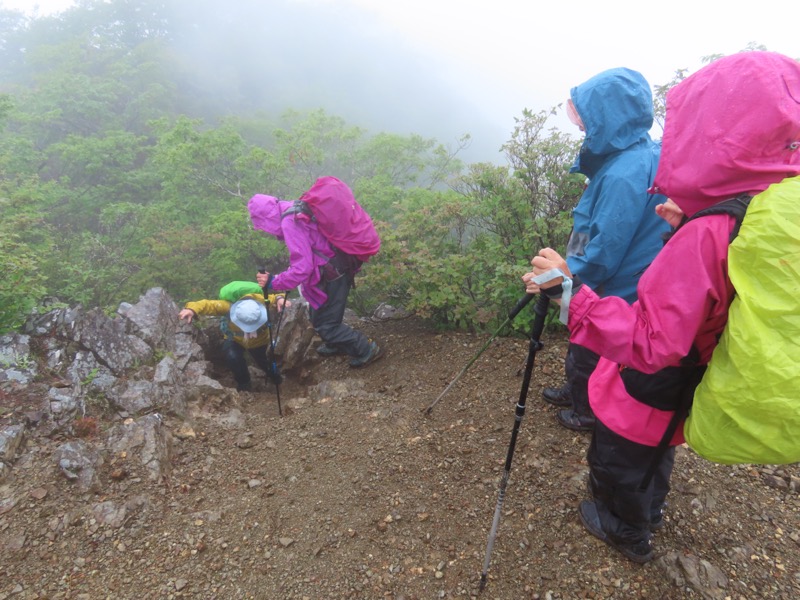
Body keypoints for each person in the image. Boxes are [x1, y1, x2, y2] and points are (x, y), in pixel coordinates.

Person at [523, 51, 800, 563]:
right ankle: (647, 510)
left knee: (619, 458)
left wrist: (567, 292)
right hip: (689, 373)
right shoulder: (760, 206)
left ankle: (626, 529)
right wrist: (690, 223)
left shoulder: (705, 230)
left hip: (651, 377)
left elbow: (652, 341)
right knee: (654, 452)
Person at [542, 67, 671, 432]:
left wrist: (568, 280)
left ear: (610, 118)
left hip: (609, 285)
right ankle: (578, 392)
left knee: (588, 348)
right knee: (592, 348)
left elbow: (604, 248)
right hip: (634, 280)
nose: (582, 127)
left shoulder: (621, 174)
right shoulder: (647, 153)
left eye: (587, 118)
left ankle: (585, 411)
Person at [248, 193, 383, 368]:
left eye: (262, 225)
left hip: (334, 274)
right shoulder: (294, 208)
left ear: (265, 218)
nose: (265, 230)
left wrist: (274, 282)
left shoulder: (290, 222)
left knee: (327, 325)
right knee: (316, 313)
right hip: (335, 266)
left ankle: (366, 349)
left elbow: (302, 268)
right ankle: (335, 343)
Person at [179, 284, 287, 392]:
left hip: (259, 341)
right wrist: (192, 309)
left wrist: (280, 299)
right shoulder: (228, 306)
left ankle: (277, 379)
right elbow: (207, 304)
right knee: (233, 357)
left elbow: (277, 297)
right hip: (235, 338)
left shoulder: (262, 301)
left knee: (264, 362)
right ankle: (244, 384)